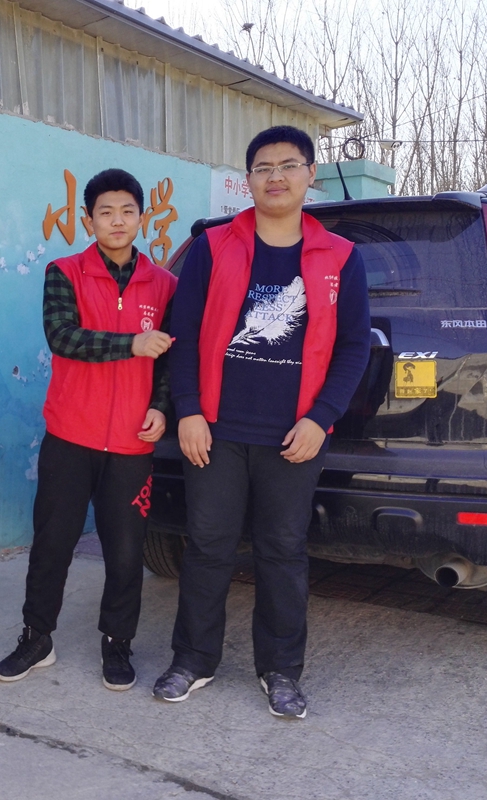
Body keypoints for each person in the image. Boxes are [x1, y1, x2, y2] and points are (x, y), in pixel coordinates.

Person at [154, 125, 370, 719]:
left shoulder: (340, 258)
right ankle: (193, 660)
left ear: (310, 175)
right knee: (208, 548)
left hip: (294, 436)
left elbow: (353, 346)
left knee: (282, 552)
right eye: (263, 167)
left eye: (288, 165)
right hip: (216, 431)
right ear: (247, 180)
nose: (276, 176)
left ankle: (280, 670)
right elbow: (183, 333)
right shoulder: (213, 246)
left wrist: (321, 419)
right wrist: (188, 411)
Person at [0, 169, 177, 691]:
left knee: (126, 549)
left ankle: (117, 643)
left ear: (142, 217)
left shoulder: (164, 285)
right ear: (88, 218)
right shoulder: (64, 272)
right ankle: (37, 637)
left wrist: (161, 406)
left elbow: (171, 359)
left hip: (132, 442)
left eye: (127, 212)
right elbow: (63, 337)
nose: (117, 221)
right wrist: (131, 344)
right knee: (52, 543)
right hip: (71, 436)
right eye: (105, 212)